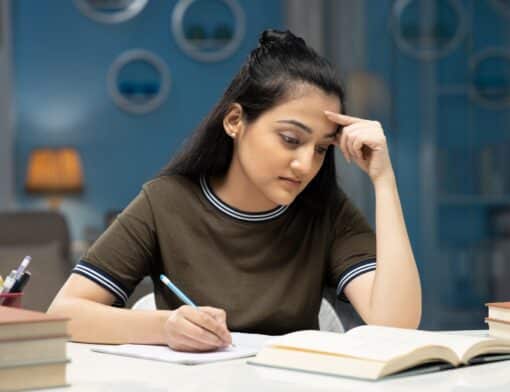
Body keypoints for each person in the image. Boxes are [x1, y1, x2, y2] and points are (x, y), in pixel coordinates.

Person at [48, 29, 421, 352]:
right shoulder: (165, 202)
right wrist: (164, 327)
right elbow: (63, 313)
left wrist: (384, 181)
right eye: (291, 139)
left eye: (322, 148)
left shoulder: (327, 211)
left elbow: (396, 328)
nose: (306, 164)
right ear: (235, 121)